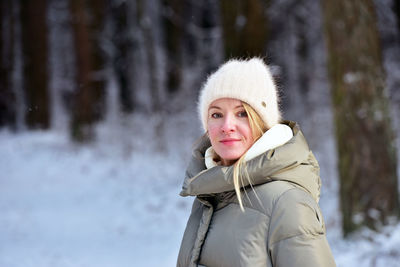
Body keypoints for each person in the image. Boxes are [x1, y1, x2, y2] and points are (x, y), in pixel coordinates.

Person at [176, 58, 336, 267]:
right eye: (216, 114)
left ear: (263, 123)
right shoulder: (209, 194)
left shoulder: (286, 203)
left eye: (242, 113)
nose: (227, 126)